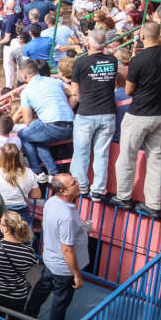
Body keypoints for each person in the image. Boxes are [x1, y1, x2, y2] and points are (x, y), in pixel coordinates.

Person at [113, 22, 161, 218]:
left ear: (142, 35)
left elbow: (129, 90)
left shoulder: (138, 59)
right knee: (156, 160)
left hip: (139, 115)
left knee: (127, 156)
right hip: (160, 115)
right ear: (159, 35)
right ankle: (153, 204)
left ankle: (123, 196)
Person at [28, 174, 89, 320]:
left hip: (51, 259)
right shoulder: (66, 216)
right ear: (63, 191)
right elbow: (67, 250)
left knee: (42, 289)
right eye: (74, 183)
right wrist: (77, 275)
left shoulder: (51, 202)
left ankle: (28, 317)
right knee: (60, 303)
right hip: (64, 269)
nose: (78, 183)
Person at [70, 30, 117, 201]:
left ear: (89, 44)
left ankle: (81, 186)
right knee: (101, 152)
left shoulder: (80, 63)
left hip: (87, 113)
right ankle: (97, 190)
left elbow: (75, 92)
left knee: (81, 151)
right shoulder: (113, 61)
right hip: (108, 113)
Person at [17, 59, 74, 183]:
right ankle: (52, 173)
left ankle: (38, 171)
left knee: (24, 134)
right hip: (71, 126)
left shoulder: (26, 91)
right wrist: (68, 107)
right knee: (36, 135)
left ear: (24, 74)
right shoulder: (54, 81)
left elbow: (28, 122)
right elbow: (74, 92)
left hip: (52, 127)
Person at [0, 211, 38, 314]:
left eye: (0, 222)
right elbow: (28, 268)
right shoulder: (29, 252)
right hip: (15, 298)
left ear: (5, 228)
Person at [0, 144, 41, 227]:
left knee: (0, 238)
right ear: (19, 156)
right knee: (21, 238)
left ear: (2, 157)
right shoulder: (29, 172)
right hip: (21, 213)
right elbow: (37, 195)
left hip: (1, 213)